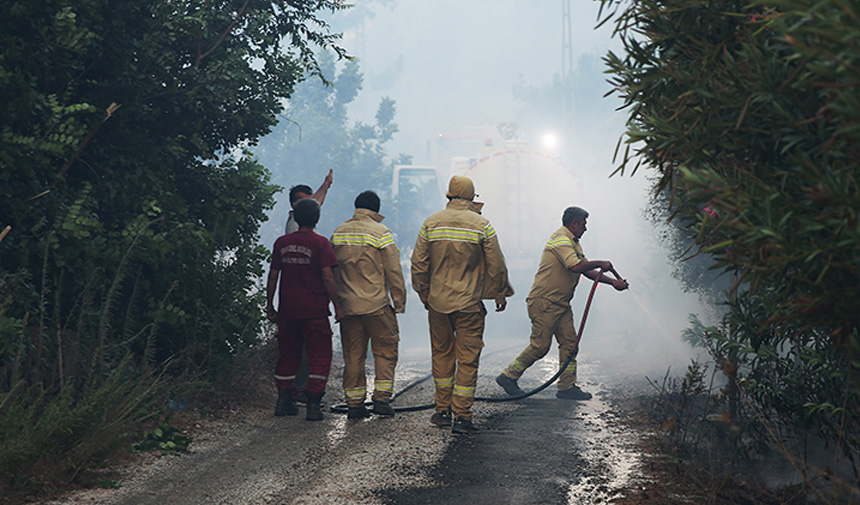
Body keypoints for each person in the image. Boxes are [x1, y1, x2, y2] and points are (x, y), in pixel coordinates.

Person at [411, 175, 512, 434]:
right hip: (469, 305)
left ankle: (442, 410)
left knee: (442, 356)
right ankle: (463, 417)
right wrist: (500, 293)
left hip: (437, 304)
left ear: (448, 195)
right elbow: (496, 264)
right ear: (471, 196)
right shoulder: (482, 225)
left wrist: (424, 294)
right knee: (467, 359)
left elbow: (418, 265)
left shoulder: (430, 223)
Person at [495, 206, 629, 401]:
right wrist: (601, 263)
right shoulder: (561, 239)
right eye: (583, 224)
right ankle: (508, 376)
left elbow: (585, 270)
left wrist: (612, 282)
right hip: (545, 301)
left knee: (569, 343)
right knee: (540, 346)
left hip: (560, 303)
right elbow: (574, 266)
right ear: (573, 223)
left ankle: (566, 387)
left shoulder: (573, 242)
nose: (586, 228)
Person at [330, 191, 406, 419]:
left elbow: (330, 271)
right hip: (376, 305)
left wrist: (336, 302)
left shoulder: (338, 232)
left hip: (348, 307)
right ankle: (381, 400)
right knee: (385, 351)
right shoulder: (381, 233)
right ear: (376, 210)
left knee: (353, 356)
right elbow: (393, 271)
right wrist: (399, 302)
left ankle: (354, 404)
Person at [266, 198, 343, 421]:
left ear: (296, 218)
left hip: (288, 310)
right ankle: (313, 404)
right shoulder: (321, 244)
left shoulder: (282, 243)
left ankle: (283, 400)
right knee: (319, 355)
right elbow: (328, 276)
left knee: (288, 354)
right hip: (315, 311)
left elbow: (273, 276)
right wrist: (337, 306)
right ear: (317, 219)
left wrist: (270, 305)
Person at [284, 169, 333, 403]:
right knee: (305, 349)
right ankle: (305, 391)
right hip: (308, 301)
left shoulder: (298, 225)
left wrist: (325, 185)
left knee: (298, 347)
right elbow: (326, 274)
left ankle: (294, 393)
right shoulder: (298, 231)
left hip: (293, 302)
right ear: (294, 205)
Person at [285, 169, 333, 234]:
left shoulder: (307, 220)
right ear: (293, 205)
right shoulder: (294, 225)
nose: (308, 205)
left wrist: (326, 184)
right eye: (303, 203)